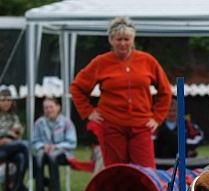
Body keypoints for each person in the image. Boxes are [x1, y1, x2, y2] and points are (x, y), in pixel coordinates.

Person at [70, 16, 172, 168]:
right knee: (116, 170)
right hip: (112, 125)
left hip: (141, 125)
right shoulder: (101, 62)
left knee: (146, 170)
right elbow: (77, 87)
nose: (123, 43)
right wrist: (88, 112)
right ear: (111, 40)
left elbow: (165, 91)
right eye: (118, 39)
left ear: (133, 39)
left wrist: (157, 117)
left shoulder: (147, 61)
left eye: (127, 39)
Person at [31, 97, 77, 191]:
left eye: (51, 107)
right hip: (44, 151)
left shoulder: (66, 122)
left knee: (53, 156)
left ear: (58, 108)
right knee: (38, 157)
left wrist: (56, 146)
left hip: (63, 153)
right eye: (46, 108)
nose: (48, 110)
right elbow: (34, 141)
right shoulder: (39, 123)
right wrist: (43, 146)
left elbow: (72, 142)